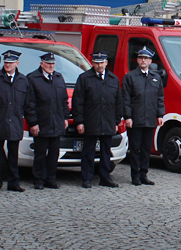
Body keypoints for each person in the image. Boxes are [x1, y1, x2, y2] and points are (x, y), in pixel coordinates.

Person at [0, 50, 35, 192]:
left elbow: (28, 103)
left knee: (13, 154)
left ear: (17, 63)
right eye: (6, 62)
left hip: (15, 121)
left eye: (11, 62)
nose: (8, 65)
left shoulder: (23, 80)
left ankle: (13, 182)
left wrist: (31, 120)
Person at [72, 51, 122, 189]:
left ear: (106, 63)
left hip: (108, 121)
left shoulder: (113, 79)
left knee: (106, 152)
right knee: (88, 151)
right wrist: (79, 121)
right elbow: (78, 101)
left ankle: (105, 178)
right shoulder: (84, 78)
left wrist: (117, 121)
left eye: (102, 62)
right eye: (97, 63)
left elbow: (118, 102)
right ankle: (86, 178)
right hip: (90, 120)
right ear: (92, 63)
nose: (99, 65)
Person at [122, 47, 164, 186]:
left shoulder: (156, 78)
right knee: (135, 149)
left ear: (150, 61)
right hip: (136, 118)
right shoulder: (130, 77)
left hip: (150, 118)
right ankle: (135, 175)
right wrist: (127, 116)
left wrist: (160, 114)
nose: (143, 60)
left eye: (146, 58)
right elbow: (126, 99)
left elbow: (159, 98)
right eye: (141, 58)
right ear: (137, 60)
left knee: (146, 149)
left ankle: (143, 174)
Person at [26, 52, 68, 189]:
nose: (51, 66)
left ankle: (51, 178)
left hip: (56, 122)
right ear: (42, 63)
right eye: (48, 63)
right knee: (40, 154)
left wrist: (65, 118)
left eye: (53, 64)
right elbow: (29, 104)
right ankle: (38, 179)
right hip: (41, 122)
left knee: (54, 154)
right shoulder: (32, 78)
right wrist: (33, 122)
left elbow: (63, 101)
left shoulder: (58, 77)